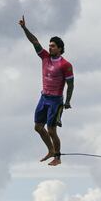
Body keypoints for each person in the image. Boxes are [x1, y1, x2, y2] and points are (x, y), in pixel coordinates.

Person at [18, 15, 74, 166]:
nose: (50, 48)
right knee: (37, 127)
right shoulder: (45, 57)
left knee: (51, 130)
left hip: (56, 101)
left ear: (60, 48)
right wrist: (24, 28)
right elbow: (35, 42)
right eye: (49, 45)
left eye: (53, 46)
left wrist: (67, 102)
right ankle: (50, 150)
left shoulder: (65, 64)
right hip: (44, 98)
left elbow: (71, 84)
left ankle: (57, 157)